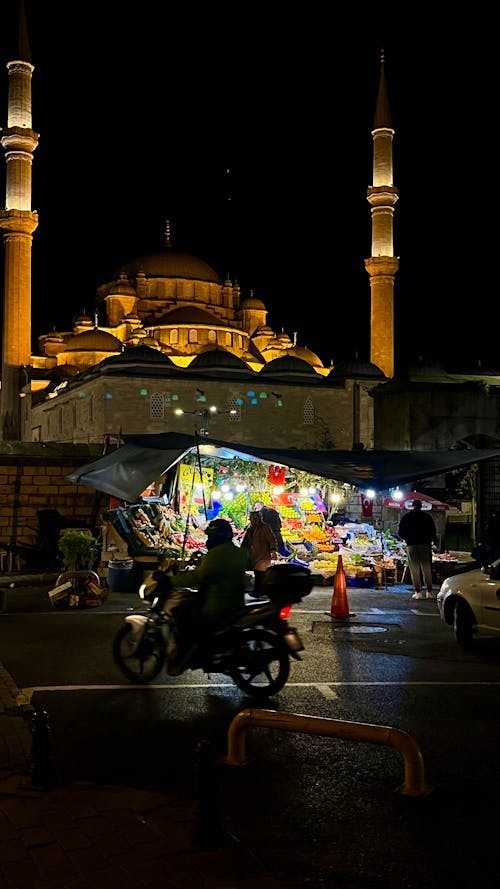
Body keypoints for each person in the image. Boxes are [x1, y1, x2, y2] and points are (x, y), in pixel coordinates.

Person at [165, 518, 252, 673]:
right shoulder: (238, 552)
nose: (208, 540)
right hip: (236, 602)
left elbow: (198, 577)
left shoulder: (216, 555)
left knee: (185, 616)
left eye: (210, 537)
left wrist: (172, 581)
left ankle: (194, 653)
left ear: (217, 537)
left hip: (217, 605)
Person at [398, 499, 438, 600]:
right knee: (427, 568)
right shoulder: (427, 517)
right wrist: (432, 540)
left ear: (412, 506)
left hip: (412, 545)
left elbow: (401, 532)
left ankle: (418, 592)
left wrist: (407, 539)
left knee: (414, 569)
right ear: (420, 506)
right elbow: (433, 531)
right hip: (425, 545)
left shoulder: (406, 517)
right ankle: (429, 592)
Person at [241, 510, 278, 594]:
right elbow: (245, 542)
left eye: (253, 518)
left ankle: (259, 592)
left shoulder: (265, 527)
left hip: (263, 556)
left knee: (259, 575)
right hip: (253, 556)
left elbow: (272, 540)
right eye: (251, 519)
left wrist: (273, 551)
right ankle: (259, 592)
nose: (252, 520)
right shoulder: (250, 529)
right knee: (258, 574)